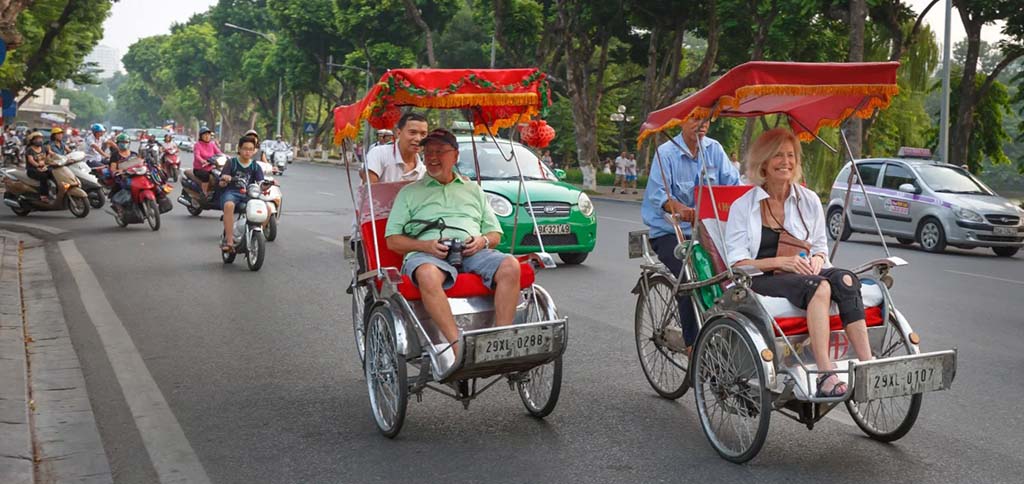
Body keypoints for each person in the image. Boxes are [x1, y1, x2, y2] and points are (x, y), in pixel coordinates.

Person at [724, 128, 873, 397]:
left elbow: (819, 247)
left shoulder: (809, 200)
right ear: (764, 164)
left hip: (804, 273)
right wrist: (783, 261)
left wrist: (817, 260)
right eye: (778, 155)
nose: (786, 162)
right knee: (820, 288)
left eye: (791, 155)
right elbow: (736, 263)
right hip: (762, 278)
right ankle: (825, 375)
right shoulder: (743, 206)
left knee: (847, 279)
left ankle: (869, 367)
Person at [385, 129, 518, 363]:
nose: (432, 158)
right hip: (429, 254)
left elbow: (495, 233)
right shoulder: (409, 193)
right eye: (427, 153)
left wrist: (482, 241)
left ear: (455, 156)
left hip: (472, 251)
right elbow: (392, 240)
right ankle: (458, 347)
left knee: (511, 265)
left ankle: (501, 342)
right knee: (426, 274)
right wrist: (426, 245)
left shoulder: (473, 189)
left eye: (439, 151)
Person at [640, 117, 740, 353]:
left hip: (707, 230)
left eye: (706, 119)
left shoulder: (714, 150)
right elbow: (659, 196)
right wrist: (683, 211)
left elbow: (733, 185)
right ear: (681, 122)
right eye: (695, 119)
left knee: (736, 271)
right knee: (689, 277)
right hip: (671, 232)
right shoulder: (666, 154)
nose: (701, 124)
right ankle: (692, 345)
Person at [219, 136, 265, 252]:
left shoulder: (255, 166)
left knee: (267, 209)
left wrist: (269, 184)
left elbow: (261, 184)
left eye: (251, 149)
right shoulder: (231, 163)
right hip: (232, 193)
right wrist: (225, 178)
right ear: (239, 149)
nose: (248, 151)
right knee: (229, 205)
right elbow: (221, 182)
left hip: (249, 195)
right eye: (245, 148)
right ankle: (229, 241)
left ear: (254, 150)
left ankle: (256, 235)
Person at [363, 112, 427, 183]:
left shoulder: (423, 171)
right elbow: (370, 191)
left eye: (423, 134)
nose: (418, 139)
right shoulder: (379, 153)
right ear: (398, 133)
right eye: (412, 132)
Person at [193, 127, 223, 200]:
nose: (207, 136)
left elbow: (219, 152)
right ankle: (204, 193)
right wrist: (202, 161)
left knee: (220, 175)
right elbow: (197, 155)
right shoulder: (198, 145)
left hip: (211, 167)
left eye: (208, 135)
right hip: (200, 168)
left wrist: (226, 157)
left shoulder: (212, 144)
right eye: (205, 135)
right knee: (205, 176)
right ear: (201, 136)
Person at [23, 132, 52, 202]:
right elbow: (31, 160)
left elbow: (50, 154)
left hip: (43, 167)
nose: (40, 140)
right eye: (37, 139)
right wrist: (38, 166)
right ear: (32, 140)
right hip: (32, 169)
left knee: (53, 172)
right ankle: (43, 195)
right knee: (43, 176)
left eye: (40, 138)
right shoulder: (29, 149)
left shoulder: (43, 148)